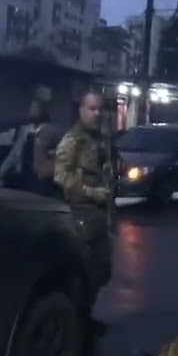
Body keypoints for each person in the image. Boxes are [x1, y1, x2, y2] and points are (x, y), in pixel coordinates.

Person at [54, 91, 117, 292]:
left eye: (100, 109)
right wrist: (90, 191)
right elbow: (60, 175)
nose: (97, 113)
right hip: (81, 214)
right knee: (83, 272)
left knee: (101, 271)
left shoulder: (99, 139)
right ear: (81, 110)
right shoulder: (73, 139)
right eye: (92, 109)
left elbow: (104, 168)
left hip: (100, 214)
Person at [0, 98, 60, 198]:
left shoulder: (50, 130)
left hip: (41, 179)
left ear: (42, 111)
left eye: (35, 108)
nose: (32, 111)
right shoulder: (25, 130)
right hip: (24, 175)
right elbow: (14, 154)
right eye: (31, 108)